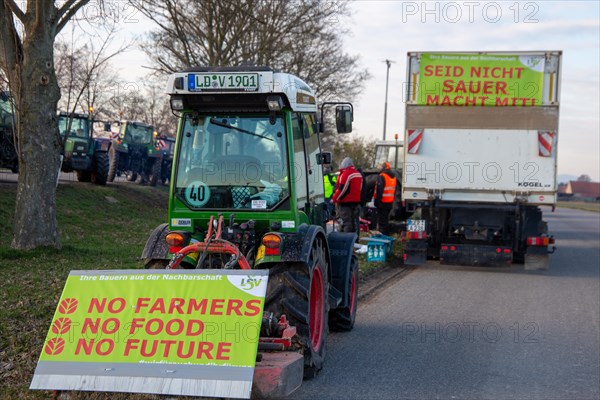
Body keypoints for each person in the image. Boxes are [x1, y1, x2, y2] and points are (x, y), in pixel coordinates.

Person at [332, 157, 363, 235]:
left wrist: (334, 199)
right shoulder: (358, 174)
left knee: (346, 222)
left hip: (345, 203)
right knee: (354, 222)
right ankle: (355, 239)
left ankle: (346, 239)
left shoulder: (346, 174)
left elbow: (342, 189)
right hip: (356, 202)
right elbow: (360, 188)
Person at [373, 161, 397, 235]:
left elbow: (379, 190)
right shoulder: (393, 177)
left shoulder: (382, 176)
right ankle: (386, 235)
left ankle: (382, 237)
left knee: (382, 222)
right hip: (389, 203)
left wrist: (376, 202)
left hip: (382, 203)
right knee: (385, 221)